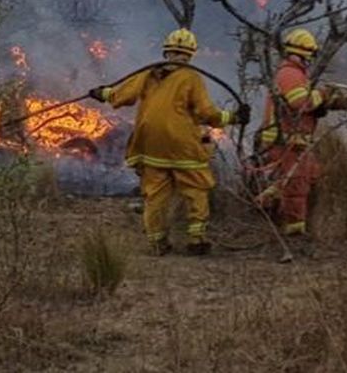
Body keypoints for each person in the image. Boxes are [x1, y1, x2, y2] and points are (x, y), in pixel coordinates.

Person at [90, 28, 249, 255]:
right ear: (191, 54)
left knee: (155, 194)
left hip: (149, 144)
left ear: (167, 51)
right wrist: (233, 118)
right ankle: (196, 239)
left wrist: (102, 93)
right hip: (182, 145)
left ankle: (158, 243)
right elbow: (206, 113)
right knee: (196, 188)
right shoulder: (191, 77)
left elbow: (124, 94)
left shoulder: (149, 73)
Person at [253, 27, 347, 254]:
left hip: (295, 141)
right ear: (305, 53)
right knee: (297, 185)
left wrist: (337, 103)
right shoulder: (290, 73)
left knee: (309, 174)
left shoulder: (295, 73)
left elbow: (306, 105)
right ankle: (294, 233)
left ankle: (268, 200)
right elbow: (300, 102)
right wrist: (322, 94)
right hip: (286, 141)